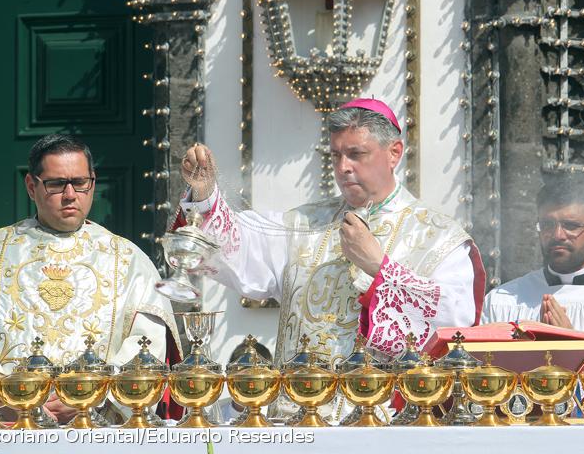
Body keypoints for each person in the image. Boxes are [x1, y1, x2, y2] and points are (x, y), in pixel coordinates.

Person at [175, 98, 485, 368]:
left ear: (394, 153)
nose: (343, 167)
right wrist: (204, 195)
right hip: (302, 415)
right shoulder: (305, 224)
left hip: (387, 422)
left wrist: (380, 269)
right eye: (336, 155)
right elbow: (243, 249)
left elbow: (454, 326)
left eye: (356, 154)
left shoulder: (439, 238)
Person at [0, 134, 179, 424]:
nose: (70, 194)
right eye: (57, 184)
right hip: (6, 428)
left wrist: (90, 394)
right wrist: (11, 397)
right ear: (32, 186)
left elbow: (147, 343)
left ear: (92, 182)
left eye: (80, 183)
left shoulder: (130, 260)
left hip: (98, 428)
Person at [481, 175, 584, 367]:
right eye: (547, 225)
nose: (557, 235)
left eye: (570, 226)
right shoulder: (502, 301)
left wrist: (574, 349)